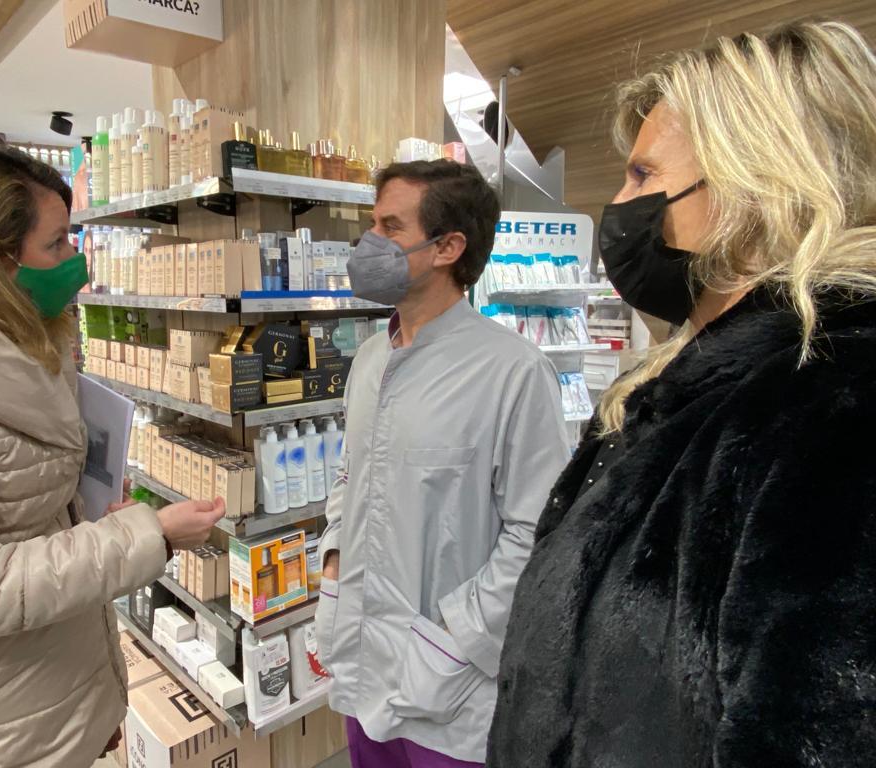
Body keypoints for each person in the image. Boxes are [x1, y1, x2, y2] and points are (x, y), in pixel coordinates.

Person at [488, 20, 876, 767]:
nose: (619, 203)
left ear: (754, 186)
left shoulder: (835, 411)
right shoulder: (670, 393)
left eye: (642, 176)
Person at [0, 140, 226, 767]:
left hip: (36, 686)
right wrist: (149, 535)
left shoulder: (9, 335)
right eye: (56, 244)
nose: (75, 262)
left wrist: (88, 703)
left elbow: (22, 506)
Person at [316, 159, 571, 767]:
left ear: (447, 248)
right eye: (372, 225)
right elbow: (350, 476)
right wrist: (333, 561)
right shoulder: (369, 360)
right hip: (362, 666)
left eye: (390, 227)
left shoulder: (513, 371)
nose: (370, 243)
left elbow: (537, 531)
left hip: (451, 693)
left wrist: (457, 636)